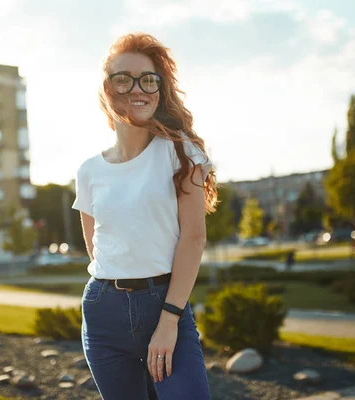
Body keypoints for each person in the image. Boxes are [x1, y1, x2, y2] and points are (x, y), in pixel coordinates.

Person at [71, 32, 216, 400]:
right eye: (124, 78)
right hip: (104, 311)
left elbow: (194, 238)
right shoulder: (89, 171)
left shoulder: (180, 152)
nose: (138, 89)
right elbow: (95, 249)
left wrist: (168, 320)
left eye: (148, 79)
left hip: (164, 304)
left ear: (159, 88)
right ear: (107, 88)